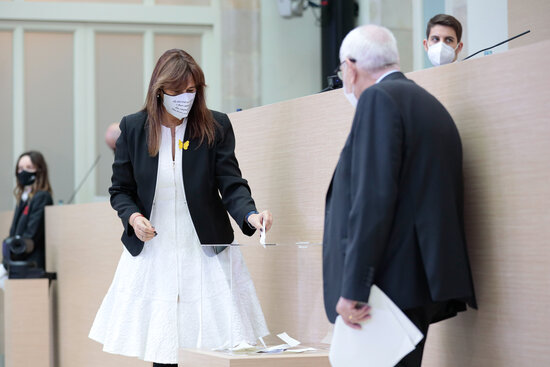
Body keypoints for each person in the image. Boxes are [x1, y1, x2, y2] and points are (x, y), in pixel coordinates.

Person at [89, 49, 273, 366]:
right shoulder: (133, 128)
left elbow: (230, 182)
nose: (184, 98)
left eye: (191, 91)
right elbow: (120, 190)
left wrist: (251, 215)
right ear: (159, 91)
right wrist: (134, 218)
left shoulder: (216, 125)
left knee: (215, 344)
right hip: (154, 249)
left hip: (204, 247)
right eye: (176, 92)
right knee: (164, 346)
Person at [323, 25, 477, 366]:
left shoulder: (379, 100)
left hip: (384, 289)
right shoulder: (426, 102)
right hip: (417, 284)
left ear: (350, 66)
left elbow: (372, 200)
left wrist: (354, 289)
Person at [2, 151, 53, 274]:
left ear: (39, 170)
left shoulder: (42, 197)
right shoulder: (23, 198)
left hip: (30, 263)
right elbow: (13, 233)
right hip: (15, 262)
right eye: (19, 168)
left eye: (29, 168)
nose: (23, 172)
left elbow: (31, 237)